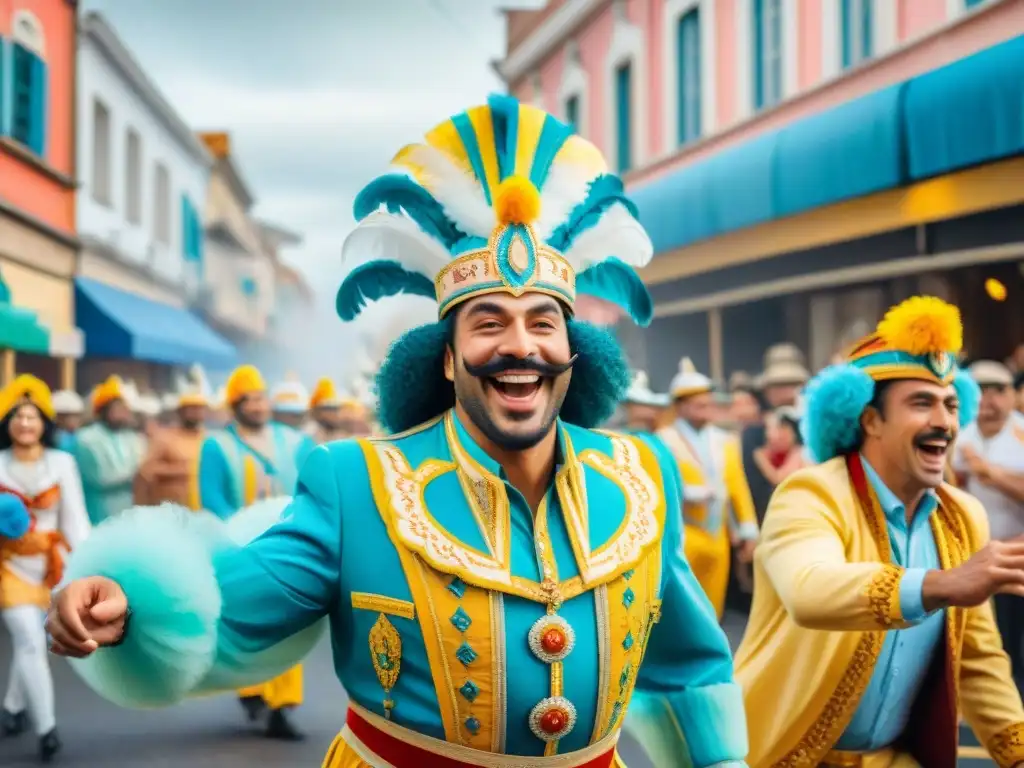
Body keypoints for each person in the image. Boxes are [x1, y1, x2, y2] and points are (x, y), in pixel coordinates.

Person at [46, 96, 747, 767]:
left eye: (543, 322)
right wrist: (129, 603)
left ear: (573, 351)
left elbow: (685, 661)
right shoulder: (355, 482)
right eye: (488, 323)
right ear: (446, 358)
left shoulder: (639, 471)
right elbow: (236, 601)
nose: (521, 345)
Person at [734, 296, 1024, 767]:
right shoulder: (810, 493)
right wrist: (943, 584)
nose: (944, 423)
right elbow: (809, 590)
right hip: (783, 755)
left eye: (951, 405)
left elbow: (978, 661)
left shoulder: (963, 515)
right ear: (870, 420)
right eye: (921, 403)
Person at [194, 363, 315, 739]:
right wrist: (241, 530)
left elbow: (314, 482)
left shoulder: (295, 442)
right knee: (248, 621)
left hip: (288, 542)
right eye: (250, 400)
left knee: (290, 623)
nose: (259, 406)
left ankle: (281, 707)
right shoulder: (217, 445)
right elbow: (211, 496)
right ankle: (251, 690)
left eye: (262, 398)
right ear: (235, 405)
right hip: (241, 546)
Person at [0, 375, 89, 762]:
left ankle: (11, 707)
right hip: (8, 568)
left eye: (33, 416)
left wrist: (88, 566)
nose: (24, 423)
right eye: (17, 416)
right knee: (31, 640)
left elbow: (76, 520)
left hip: (52, 568)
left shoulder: (63, 463)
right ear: (6, 422)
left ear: (45, 424)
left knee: (35, 642)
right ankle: (47, 728)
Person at [657, 357, 758, 620]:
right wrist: (688, 492)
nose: (706, 409)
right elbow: (660, 486)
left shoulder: (725, 440)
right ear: (680, 407)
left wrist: (748, 529)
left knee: (713, 611)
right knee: (680, 611)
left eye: (707, 403)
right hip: (682, 535)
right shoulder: (663, 441)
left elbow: (738, 487)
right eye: (698, 404)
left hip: (718, 535)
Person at [953, 360, 1024, 689]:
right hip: (976, 558)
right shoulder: (957, 436)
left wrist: (990, 473)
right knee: (988, 641)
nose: (989, 401)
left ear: (1012, 396)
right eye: (981, 391)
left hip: (1019, 553)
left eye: (999, 391)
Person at [74, 376, 146, 525]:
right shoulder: (86, 439)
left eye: (125, 408)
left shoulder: (132, 437)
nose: (124, 413)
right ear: (103, 410)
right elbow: (101, 478)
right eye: (118, 408)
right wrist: (137, 474)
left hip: (129, 515)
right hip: (99, 515)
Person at [135, 383, 209, 509]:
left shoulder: (208, 439)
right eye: (192, 409)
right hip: (170, 513)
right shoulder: (164, 438)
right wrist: (180, 470)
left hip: (201, 512)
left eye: (199, 409)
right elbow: (145, 471)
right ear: (180, 412)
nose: (196, 413)